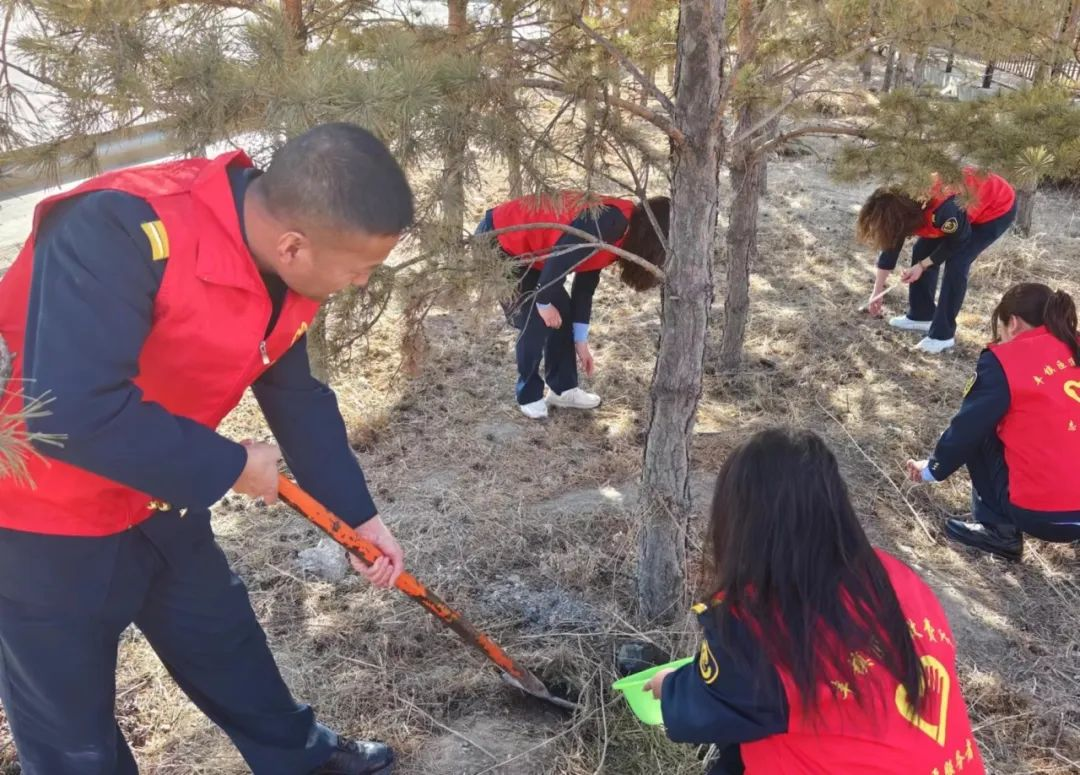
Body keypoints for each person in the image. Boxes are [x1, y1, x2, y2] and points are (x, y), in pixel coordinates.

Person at [0, 123, 414, 774]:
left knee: (225, 642)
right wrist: (232, 467)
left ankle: (302, 757)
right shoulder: (122, 228)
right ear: (296, 244)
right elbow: (72, 411)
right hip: (39, 519)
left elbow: (296, 396)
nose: (363, 282)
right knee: (73, 737)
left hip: (160, 493)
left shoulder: (281, 267)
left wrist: (359, 518)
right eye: (360, 268)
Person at [643, 428, 984, 774]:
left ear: (744, 524)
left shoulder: (761, 621)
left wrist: (670, 687)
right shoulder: (896, 577)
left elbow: (703, 713)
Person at [906, 283, 1080, 562]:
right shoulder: (1074, 343)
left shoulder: (1005, 361)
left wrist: (932, 469)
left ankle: (999, 530)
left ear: (1013, 323)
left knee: (983, 425)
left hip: (1042, 515)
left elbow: (968, 429)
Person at [475, 192, 669, 418]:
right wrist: (544, 301)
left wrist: (580, 340)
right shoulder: (611, 221)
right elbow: (561, 256)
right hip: (499, 240)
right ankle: (528, 395)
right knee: (534, 316)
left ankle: (563, 389)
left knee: (562, 313)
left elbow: (585, 286)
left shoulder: (623, 239)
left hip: (533, 254)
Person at [857, 168, 1016, 354]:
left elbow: (959, 240)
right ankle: (922, 315)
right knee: (921, 249)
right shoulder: (902, 205)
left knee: (957, 262)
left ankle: (943, 336)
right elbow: (891, 244)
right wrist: (877, 292)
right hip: (960, 208)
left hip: (995, 207)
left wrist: (923, 265)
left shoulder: (944, 211)